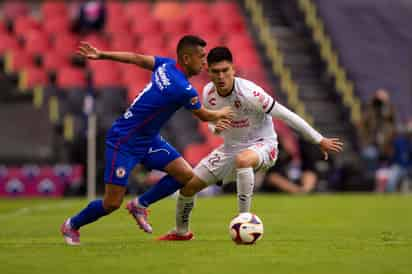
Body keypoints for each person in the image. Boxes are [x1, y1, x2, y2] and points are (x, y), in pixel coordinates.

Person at [140, 46, 343, 240]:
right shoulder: (208, 93)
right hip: (230, 148)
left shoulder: (250, 93)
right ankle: (181, 232)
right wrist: (216, 127)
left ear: (233, 69)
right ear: (208, 71)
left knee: (243, 160)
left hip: (263, 144)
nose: (221, 76)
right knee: (187, 187)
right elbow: (213, 125)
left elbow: (287, 116)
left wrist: (319, 139)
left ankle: (244, 220)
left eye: (225, 70)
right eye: (215, 71)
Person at [60, 36, 234, 245]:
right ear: (187, 59)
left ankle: (140, 204)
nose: (204, 62)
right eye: (201, 57)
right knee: (112, 203)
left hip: (148, 139)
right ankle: (72, 224)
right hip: (123, 142)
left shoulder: (166, 65)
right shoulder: (183, 89)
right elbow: (205, 116)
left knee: (185, 175)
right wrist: (226, 111)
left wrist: (102, 54)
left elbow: (135, 58)